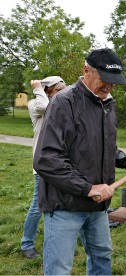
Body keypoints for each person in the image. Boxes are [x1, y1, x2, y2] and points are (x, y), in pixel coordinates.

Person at [33, 48, 126, 275]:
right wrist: (87, 188)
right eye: (105, 80)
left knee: (101, 257)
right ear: (86, 71)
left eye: (114, 82)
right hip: (65, 204)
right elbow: (47, 158)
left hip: (97, 206)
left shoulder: (107, 103)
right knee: (59, 269)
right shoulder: (64, 102)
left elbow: (103, 145)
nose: (110, 86)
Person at [21, 76, 66, 259]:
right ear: (47, 91)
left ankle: (57, 240)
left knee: (61, 205)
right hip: (43, 164)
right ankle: (26, 244)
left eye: (65, 89)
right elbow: (46, 106)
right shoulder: (36, 104)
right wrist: (38, 88)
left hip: (61, 164)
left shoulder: (62, 105)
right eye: (58, 90)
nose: (63, 93)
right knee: (38, 205)